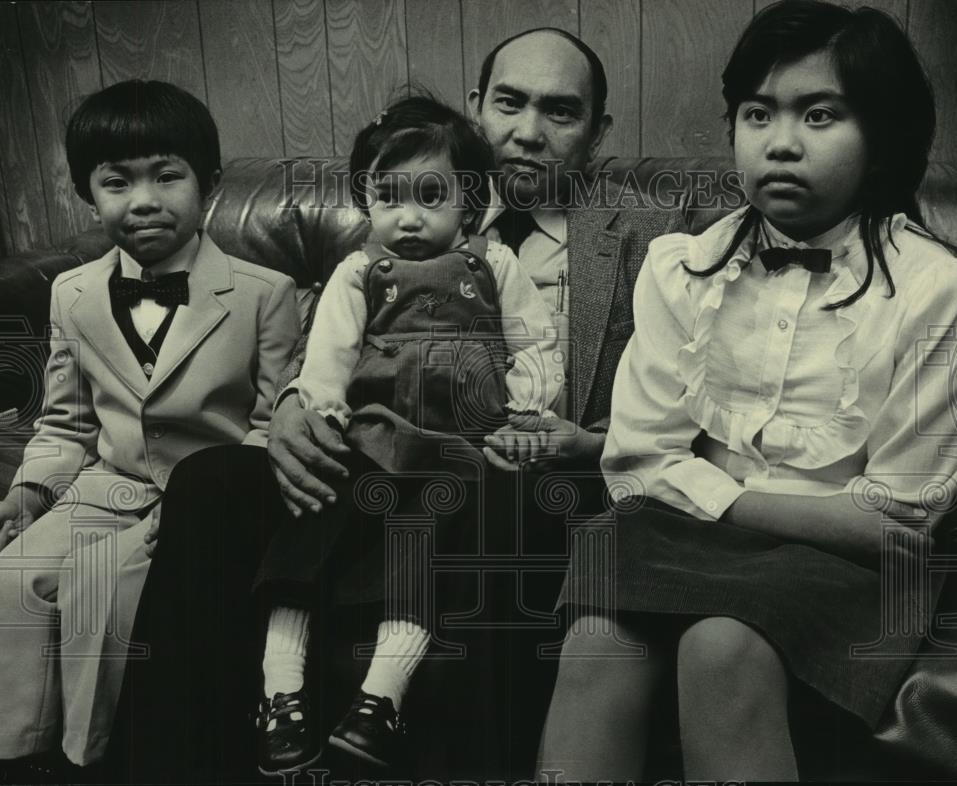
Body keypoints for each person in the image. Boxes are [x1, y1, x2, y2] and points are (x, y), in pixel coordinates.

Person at [113, 28, 686, 782]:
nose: (528, 133)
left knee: (498, 494)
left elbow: (669, 404)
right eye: (510, 104)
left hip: (515, 471)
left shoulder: (649, 241)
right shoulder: (400, 210)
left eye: (561, 113)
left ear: (598, 132)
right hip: (374, 444)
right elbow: (334, 343)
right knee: (210, 483)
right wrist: (293, 406)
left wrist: (578, 439)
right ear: (478, 107)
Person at [535, 1, 957, 781]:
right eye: (757, 113)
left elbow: (898, 518)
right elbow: (636, 466)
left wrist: (719, 493)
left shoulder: (939, 288)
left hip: (842, 566)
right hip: (683, 536)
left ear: (881, 136)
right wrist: (741, 501)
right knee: (598, 636)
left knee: (723, 644)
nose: (780, 143)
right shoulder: (683, 268)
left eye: (820, 115)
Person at [253, 94, 562, 774]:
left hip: (460, 442)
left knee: (435, 532)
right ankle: (281, 689)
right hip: (371, 435)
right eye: (388, 198)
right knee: (313, 512)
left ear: (471, 203)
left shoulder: (495, 266)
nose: (409, 217)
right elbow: (327, 358)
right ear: (367, 202)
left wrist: (526, 413)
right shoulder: (360, 272)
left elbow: (537, 346)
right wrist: (323, 416)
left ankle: (380, 699)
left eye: (430, 196)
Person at [0, 80, 299, 768]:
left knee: (100, 585)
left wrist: (208, 511)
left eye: (167, 177)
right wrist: (32, 491)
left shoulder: (265, 294)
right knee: (12, 576)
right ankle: (20, 755)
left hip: (203, 504)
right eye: (116, 182)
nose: (143, 200)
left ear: (210, 184)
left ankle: (91, 758)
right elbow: (65, 423)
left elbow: (267, 425)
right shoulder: (70, 294)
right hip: (108, 487)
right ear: (88, 193)